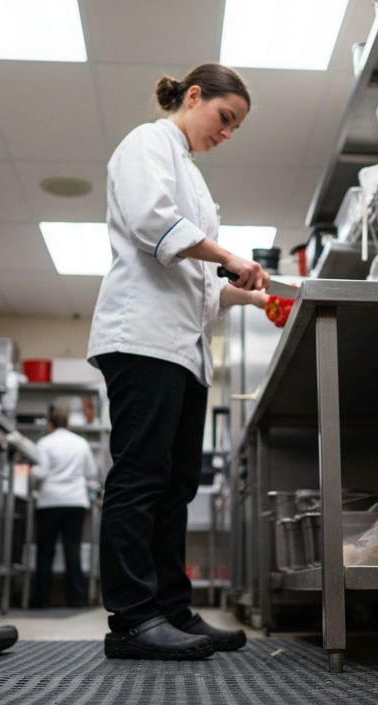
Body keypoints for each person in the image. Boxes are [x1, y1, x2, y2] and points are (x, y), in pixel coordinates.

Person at [87, 63, 269, 660]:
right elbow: (152, 224)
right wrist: (229, 256)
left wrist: (247, 291)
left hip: (181, 348)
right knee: (141, 477)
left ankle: (171, 610)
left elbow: (198, 284)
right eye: (225, 118)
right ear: (194, 96)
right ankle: (133, 620)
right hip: (140, 338)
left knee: (175, 484)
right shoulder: (148, 143)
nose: (228, 133)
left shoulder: (192, 176)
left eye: (237, 127)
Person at [29, 407, 98, 609]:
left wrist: (33, 478)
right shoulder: (81, 443)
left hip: (50, 501)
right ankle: (76, 598)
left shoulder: (44, 443)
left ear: (50, 423)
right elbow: (91, 473)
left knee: (45, 551)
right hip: (75, 501)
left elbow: (40, 473)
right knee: (72, 549)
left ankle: (42, 599)